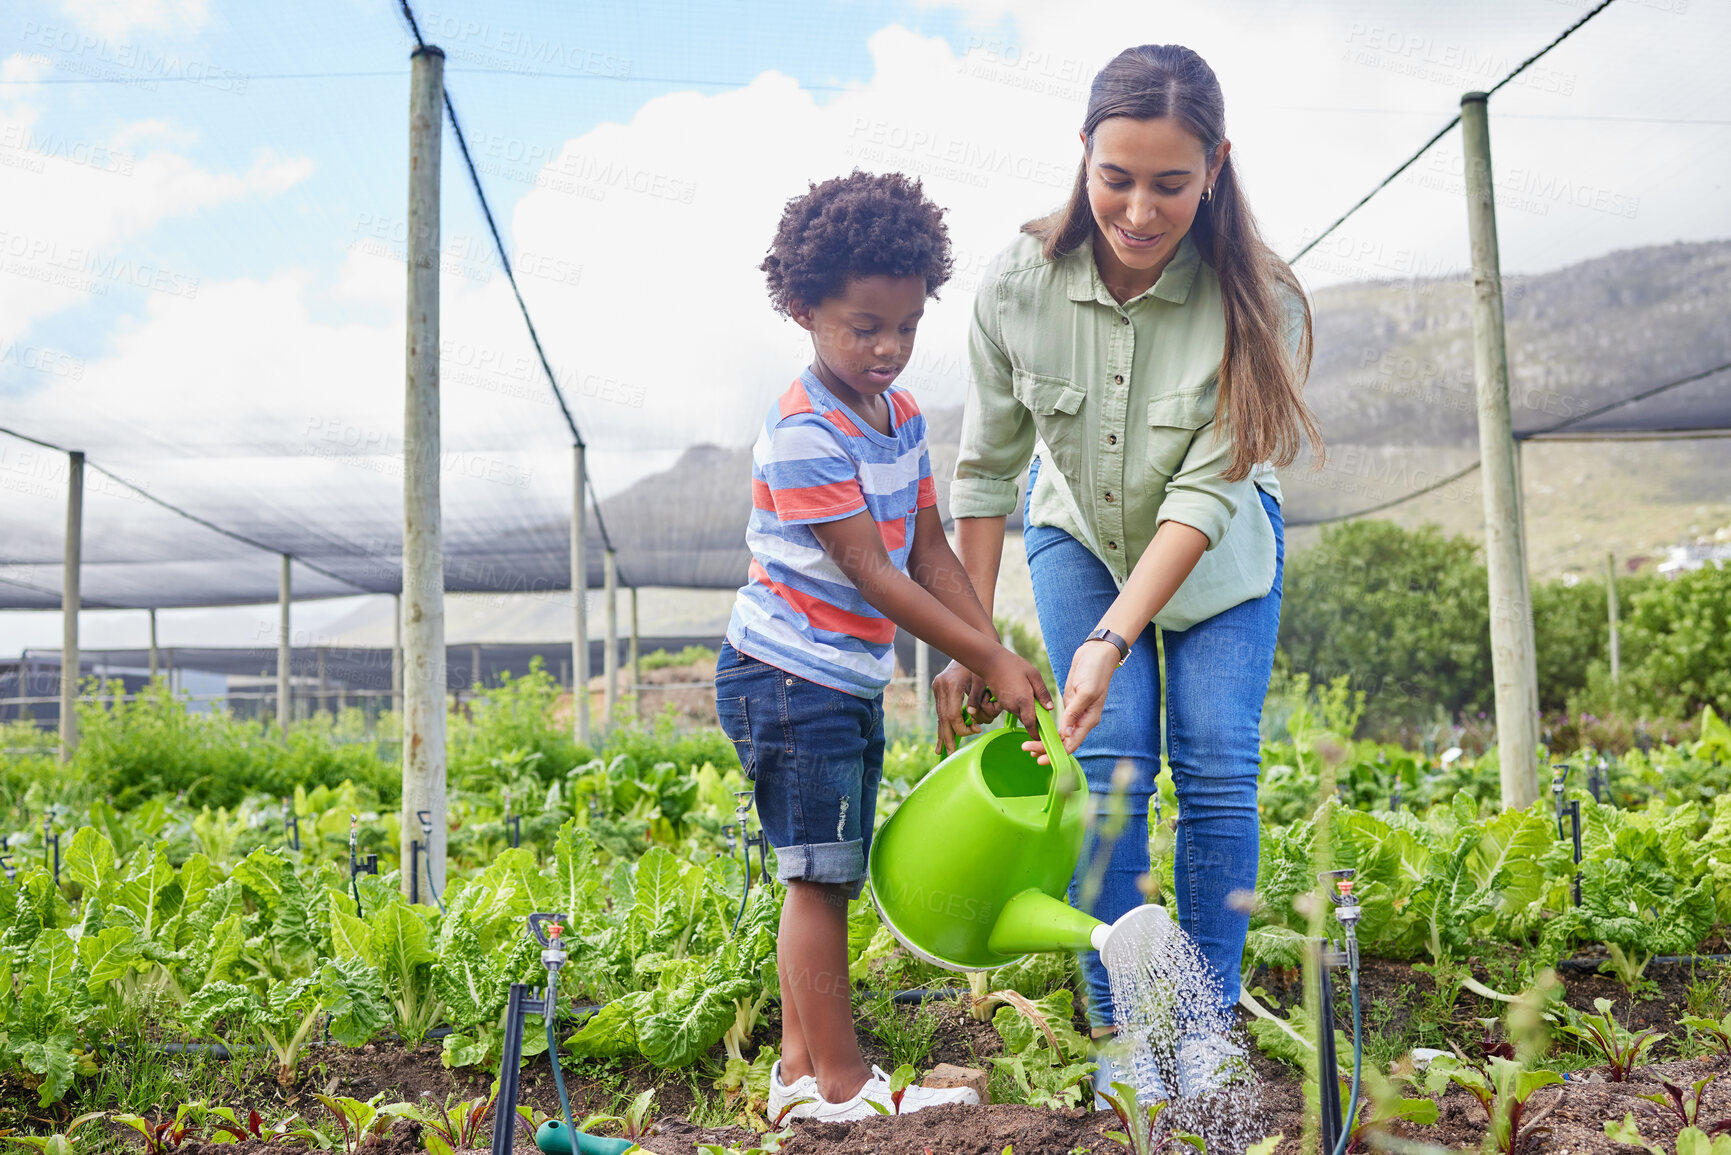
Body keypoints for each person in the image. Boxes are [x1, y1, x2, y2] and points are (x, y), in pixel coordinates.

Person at [935, 44, 1323, 1101]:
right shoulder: (1019, 279)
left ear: (1217, 168)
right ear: (1084, 157)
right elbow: (986, 470)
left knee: (1211, 765)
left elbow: (1205, 495)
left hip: (1219, 550)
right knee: (1104, 770)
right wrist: (970, 639)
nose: (1140, 211)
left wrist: (1112, 638)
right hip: (1076, 534)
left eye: (1171, 183)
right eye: (1118, 178)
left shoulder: (1260, 300)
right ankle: (1121, 1034)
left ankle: (1202, 1020)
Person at [716, 170, 1054, 1122]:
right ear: (802, 308)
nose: (888, 348)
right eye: (864, 326)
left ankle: (797, 1070)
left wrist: (986, 644)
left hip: (840, 680)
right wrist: (990, 659)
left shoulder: (899, 419)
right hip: (786, 679)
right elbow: (873, 571)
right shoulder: (801, 431)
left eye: (905, 327)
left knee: (828, 873)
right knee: (818, 880)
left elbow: (929, 547)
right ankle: (838, 1080)